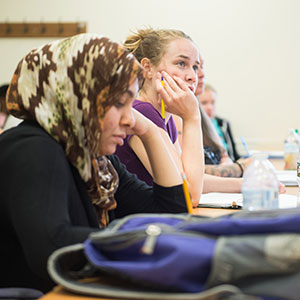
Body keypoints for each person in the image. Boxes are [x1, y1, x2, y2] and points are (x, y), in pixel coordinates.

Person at [0, 33, 188, 292]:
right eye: (118, 103)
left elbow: (173, 216)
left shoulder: (94, 158)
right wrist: (144, 239)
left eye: (131, 104)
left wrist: (151, 132)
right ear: (76, 97)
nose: (130, 119)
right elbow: (52, 249)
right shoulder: (33, 148)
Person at [115, 28, 248, 207]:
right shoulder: (141, 112)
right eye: (181, 64)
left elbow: (190, 176)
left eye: (195, 66)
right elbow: (189, 194)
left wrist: (245, 184)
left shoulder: (165, 117)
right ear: (147, 68)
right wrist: (192, 117)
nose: (192, 76)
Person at [198, 83, 240, 161]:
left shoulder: (223, 124)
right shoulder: (194, 127)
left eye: (212, 103)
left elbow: (234, 155)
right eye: (204, 103)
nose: (210, 107)